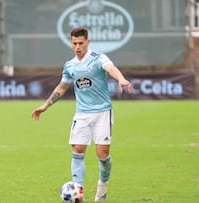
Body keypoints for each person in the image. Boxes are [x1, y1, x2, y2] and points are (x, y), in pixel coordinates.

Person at [31, 27, 133, 202]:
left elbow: (111, 68)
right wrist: (46, 105)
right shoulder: (70, 65)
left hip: (102, 112)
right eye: (74, 43)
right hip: (82, 114)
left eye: (81, 43)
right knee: (77, 150)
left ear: (88, 42)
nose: (77, 47)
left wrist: (121, 79)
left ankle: (103, 186)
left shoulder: (98, 58)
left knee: (103, 155)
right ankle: (79, 196)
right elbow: (62, 87)